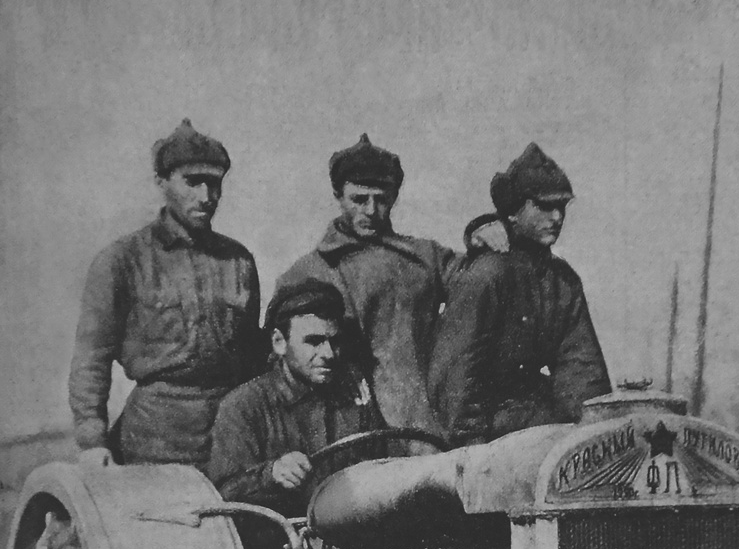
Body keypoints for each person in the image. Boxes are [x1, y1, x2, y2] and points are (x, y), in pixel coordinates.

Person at [68, 119, 262, 468]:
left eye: (215, 184)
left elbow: (252, 354)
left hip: (230, 432)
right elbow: (91, 357)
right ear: (161, 182)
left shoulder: (238, 260)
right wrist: (92, 441)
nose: (206, 197)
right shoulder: (122, 260)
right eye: (192, 182)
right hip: (156, 438)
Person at [273, 134, 482, 436]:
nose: (371, 211)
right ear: (338, 195)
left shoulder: (424, 257)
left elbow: (478, 283)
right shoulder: (306, 272)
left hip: (426, 413)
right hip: (348, 422)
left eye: (381, 200)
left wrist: (482, 231)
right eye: (359, 200)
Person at [430, 142, 611, 446]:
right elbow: (456, 376)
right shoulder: (487, 275)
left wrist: (593, 435)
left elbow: (582, 372)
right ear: (513, 213)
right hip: (483, 434)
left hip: (534, 426)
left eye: (562, 207)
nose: (556, 218)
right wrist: (471, 453)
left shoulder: (563, 282)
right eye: (543, 206)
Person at [207, 277, 379, 514]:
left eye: (334, 341)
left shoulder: (353, 395)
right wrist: (271, 474)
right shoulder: (244, 406)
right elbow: (222, 493)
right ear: (279, 343)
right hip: (279, 541)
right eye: (314, 341)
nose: (328, 353)